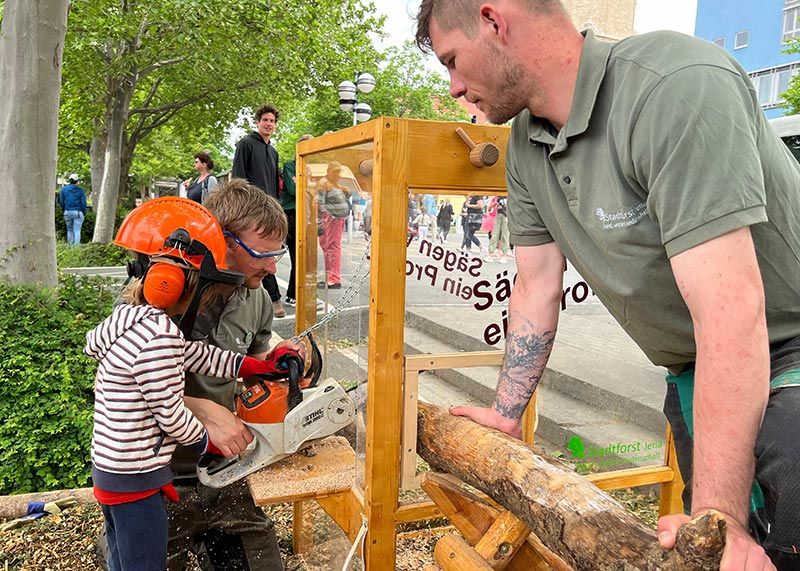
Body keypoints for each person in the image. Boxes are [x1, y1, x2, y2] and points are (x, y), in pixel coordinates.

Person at [416, 1, 800, 569]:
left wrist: (720, 521)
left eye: (452, 59)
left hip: (786, 353)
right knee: (709, 557)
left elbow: (731, 311)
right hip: (696, 371)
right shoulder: (526, 142)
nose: (453, 87)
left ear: (494, 20)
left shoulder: (674, 85)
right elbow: (536, 286)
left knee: (759, 547)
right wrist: (505, 410)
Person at [86, 196, 287, 571]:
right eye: (263, 253)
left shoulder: (255, 297)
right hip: (155, 474)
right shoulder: (159, 299)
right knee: (142, 557)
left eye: (279, 253)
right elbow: (120, 385)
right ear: (221, 243)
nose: (273, 266)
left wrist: (267, 367)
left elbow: (202, 355)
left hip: (223, 469)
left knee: (258, 561)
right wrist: (203, 415)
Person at [233, 104, 286, 318]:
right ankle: (274, 299)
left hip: (270, 211)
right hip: (250, 210)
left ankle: (268, 299)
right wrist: (243, 207)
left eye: (272, 121)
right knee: (257, 254)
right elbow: (238, 176)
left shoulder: (273, 152)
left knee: (267, 253)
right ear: (257, 122)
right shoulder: (245, 144)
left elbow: (275, 184)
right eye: (265, 120)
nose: (269, 124)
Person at [282, 134, 314, 307]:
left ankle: (296, 294)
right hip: (293, 213)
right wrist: (308, 186)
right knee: (297, 255)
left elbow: (316, 190)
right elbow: (294, 190)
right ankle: (293, 295)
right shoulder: (290, 165)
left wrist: (304, 185)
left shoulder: (311, 168)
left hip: (308, 214)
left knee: (306, 257)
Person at [317, 162, 350, 289]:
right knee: (329, 246)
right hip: (331, 217)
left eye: (339, 171)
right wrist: (324, 217)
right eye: (335, 171)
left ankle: (333, 277)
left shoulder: (333, 184)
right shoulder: (324, 183)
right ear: (329, 171)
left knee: (331, 246)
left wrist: (344, 192)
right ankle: (332, 277)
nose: (338, 174)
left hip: (335, 217)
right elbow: (319, 202)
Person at [59, 173, 87, 245]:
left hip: (67, 212)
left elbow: (61, 201)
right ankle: (76, 247)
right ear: (77, 181)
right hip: (78, 212)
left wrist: (64, 210)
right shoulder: (80, 190)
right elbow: (83, 203)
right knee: (77, 230)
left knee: (69, 230)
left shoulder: (63, 190)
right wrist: (83, 213)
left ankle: (70, 246)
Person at [486, 196, 510, 262]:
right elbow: (490, 207)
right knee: (494, 235)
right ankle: (490, 254)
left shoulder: (511, 195)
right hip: (498, 215)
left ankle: (504, 256)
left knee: (505, 236)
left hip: (507, 216)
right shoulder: (498, 196)